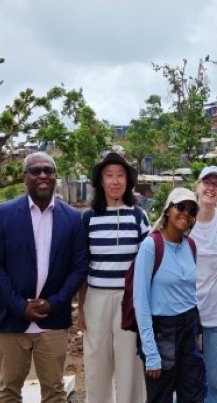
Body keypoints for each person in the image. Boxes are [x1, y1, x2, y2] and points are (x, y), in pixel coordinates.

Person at [0, 152, 89, 403]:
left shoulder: (73, 218)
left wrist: (54, 302)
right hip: (12, 319)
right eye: (35, 170)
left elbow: (79, 267)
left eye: (48, 170)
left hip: (53, 320)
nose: (42, 175)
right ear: (24, 177)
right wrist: (20, 306)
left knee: (54, 392)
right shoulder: (4, 213)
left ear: (55, 177)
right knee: (9, 391)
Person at [77, 151, 149, 402]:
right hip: (96, 298)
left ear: (128, 181)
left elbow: (147, 264)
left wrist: (144, 305)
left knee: (130, 363)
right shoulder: (88, 218)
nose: (115, 181)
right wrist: (82, 306)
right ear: (101, 181)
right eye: (109, 176)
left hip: (129, 300)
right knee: (97, 363)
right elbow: (82, 265)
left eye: (120, 176)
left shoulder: (138, 216)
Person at [134, 188, 206, 402]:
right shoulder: (151, 246)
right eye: (181, 207)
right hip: (162, 332)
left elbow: (190, 294)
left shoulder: (191, 246)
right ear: (168, 210)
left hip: (189, 328)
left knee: (193, 394)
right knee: (161, 397)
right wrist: (151, 353)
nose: (186, 213)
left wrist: (197, 337)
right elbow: (141, 301)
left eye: (192, 211)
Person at [189, 166, 217, 403]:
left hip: (216, 316)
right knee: (186, 381)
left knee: (215, 383)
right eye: (206, 182)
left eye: (216, 184)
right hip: (185, 314)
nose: (210, 188)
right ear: (197, 186)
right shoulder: (184, 220)